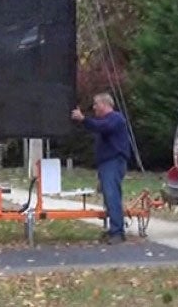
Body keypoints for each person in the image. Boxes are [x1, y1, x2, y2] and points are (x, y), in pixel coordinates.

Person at [71, 92, 131, 245]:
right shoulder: (106, 122)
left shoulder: (115, 119)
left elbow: (102, 127)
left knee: (112, 196)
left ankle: (117, 232)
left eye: (96, 104)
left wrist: (84, 119)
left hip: (113, 162)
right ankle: (113, 230)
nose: (94, 107)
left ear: (105, 104)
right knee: (108, 197)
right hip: (106, 164)